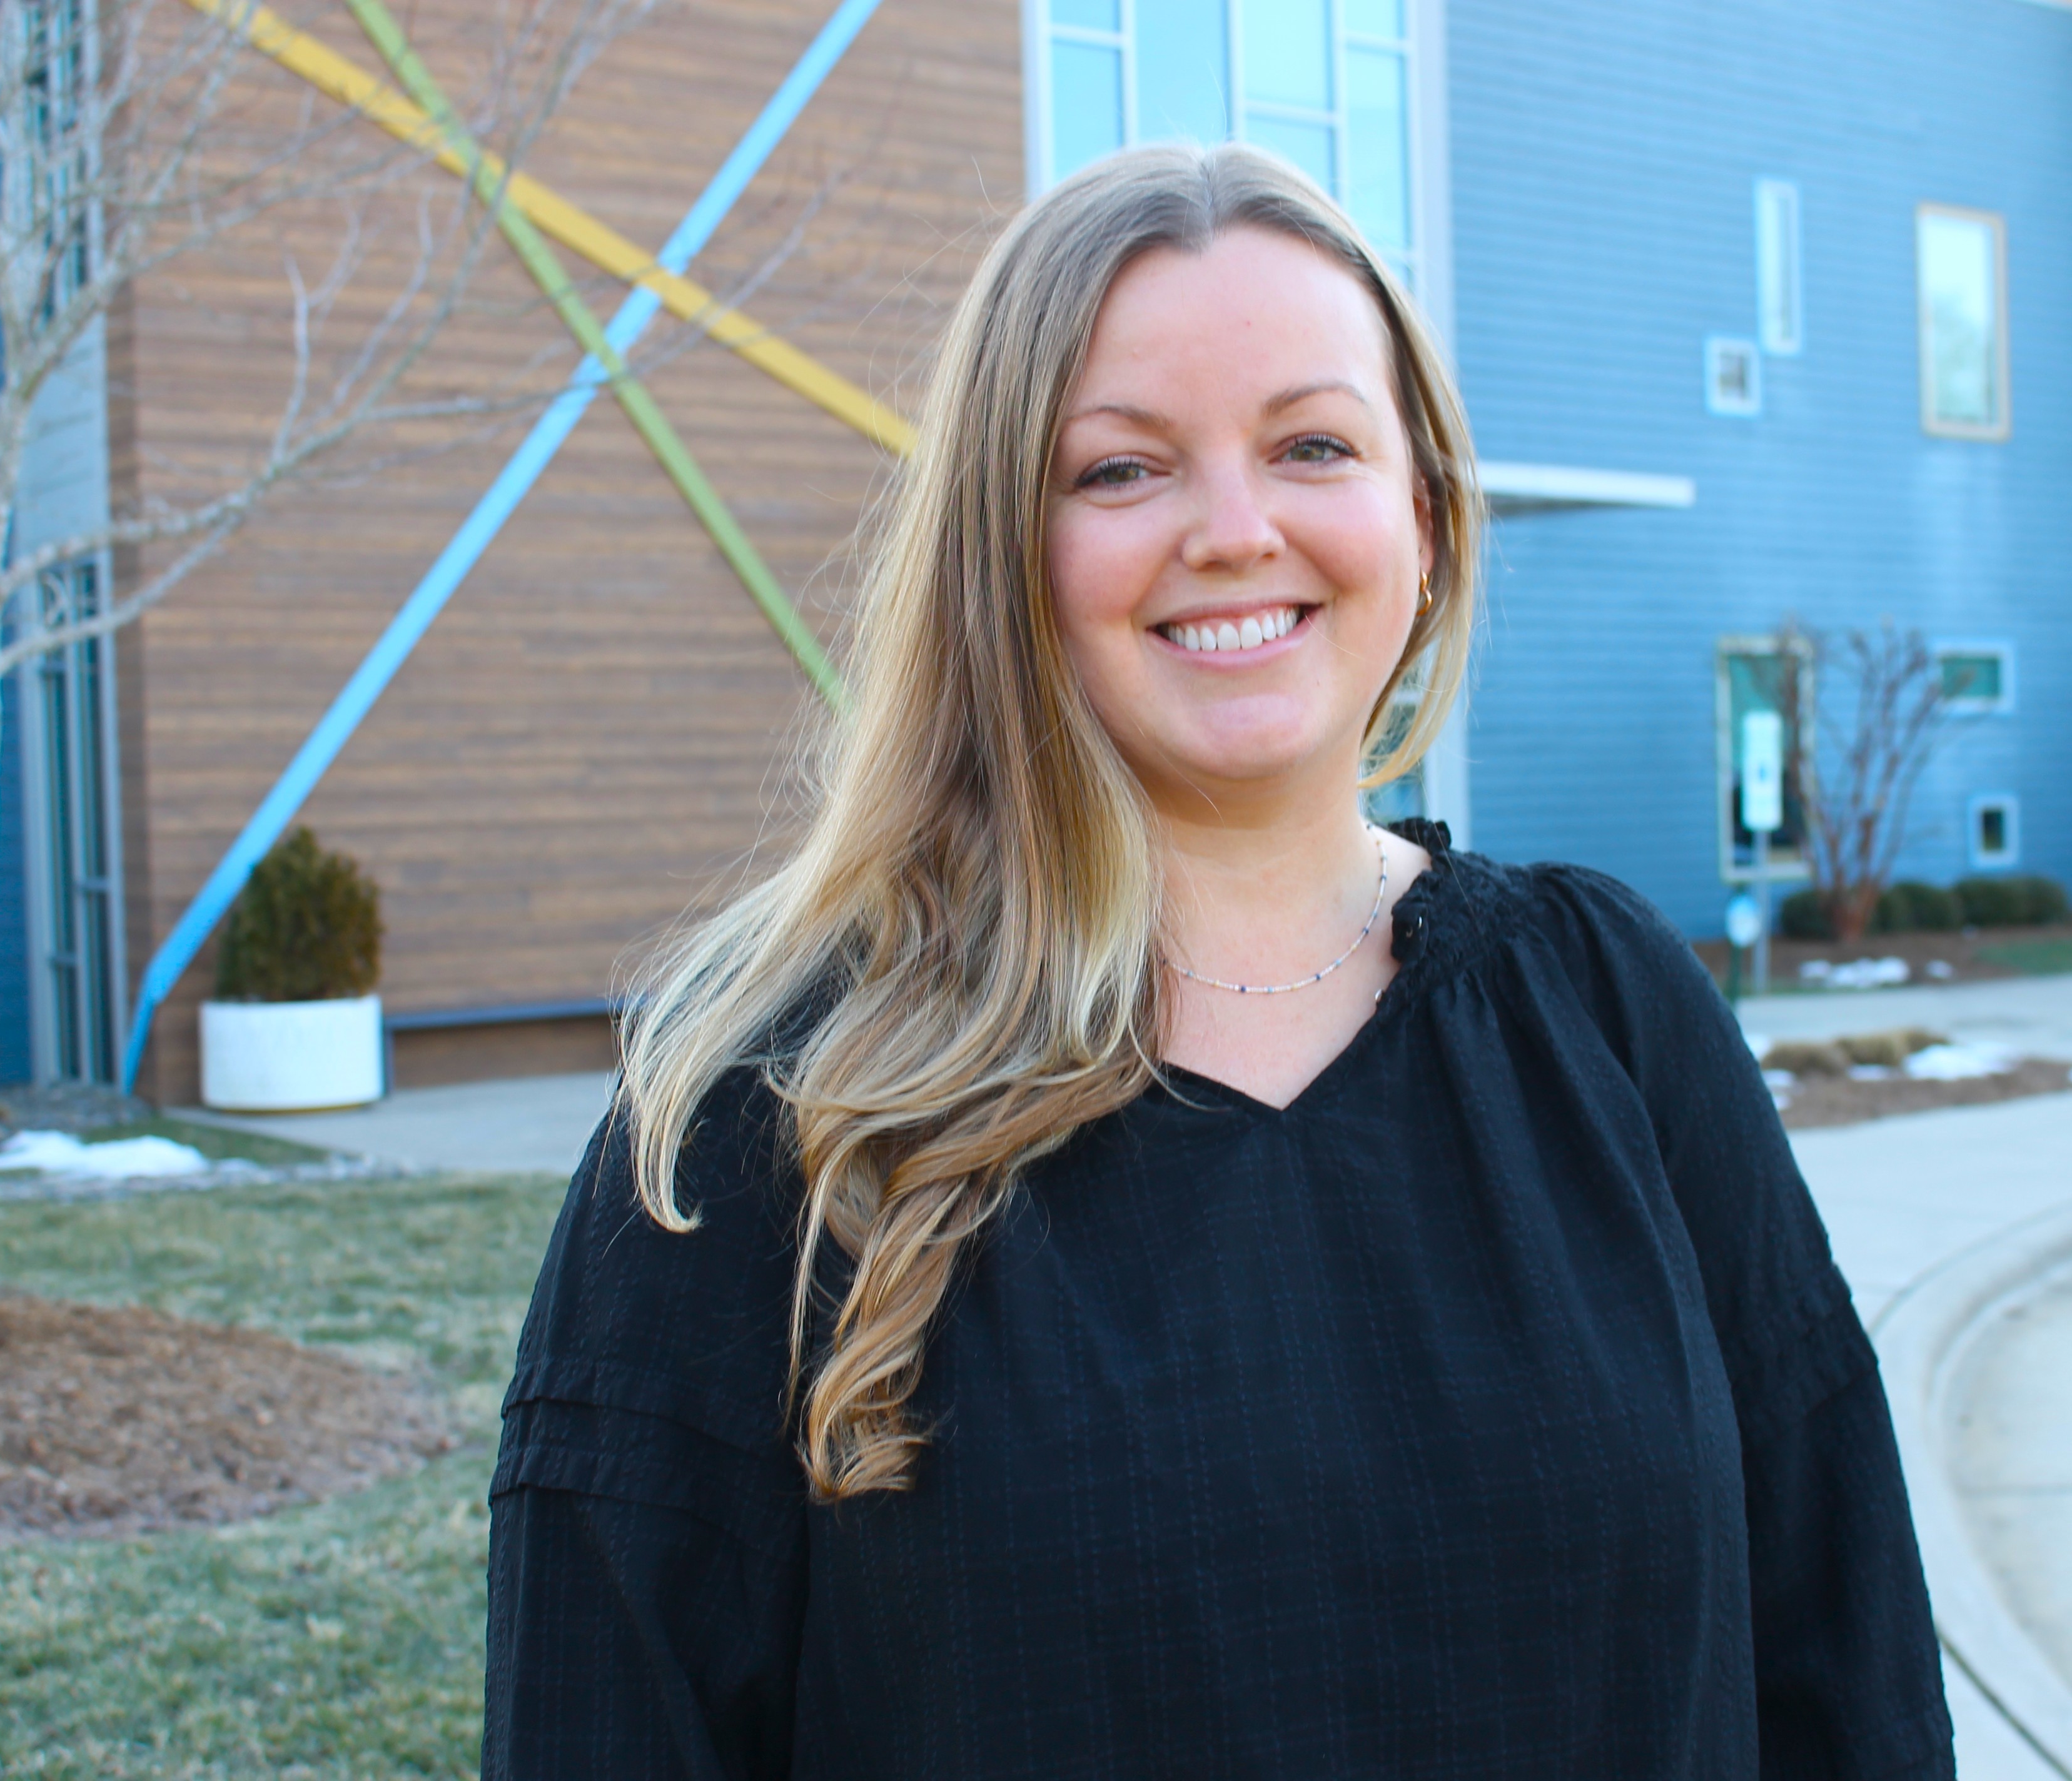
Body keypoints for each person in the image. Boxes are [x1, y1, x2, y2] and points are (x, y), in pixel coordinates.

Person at [485, 142, 1954, 1780]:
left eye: (1313, 444)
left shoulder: (1612, 1014)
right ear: (1003, 553)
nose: (1235, 531)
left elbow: (1850, 1672)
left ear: (1427, 513)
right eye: (1120, 471)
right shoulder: (759, 1117)